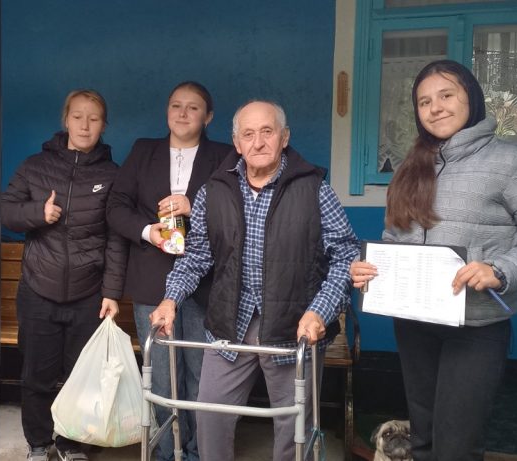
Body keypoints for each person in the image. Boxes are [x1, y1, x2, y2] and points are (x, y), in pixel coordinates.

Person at [349, 59, 517, 461]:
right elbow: (394, 236)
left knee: (456, 447)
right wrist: (370, 269)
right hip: (414, 324)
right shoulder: (411, 164)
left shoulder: (514, 161)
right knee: (422, 439)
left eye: (446, 95)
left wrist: (500, 270)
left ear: (470, 96)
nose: (435, 107)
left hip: (475, 329)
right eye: (424, 101)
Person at [149, 100, 360, 461]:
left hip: (294, 324)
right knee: (211, 414)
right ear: (237, 142)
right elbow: (197, 256)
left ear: (284, 138)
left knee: (292, 425)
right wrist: (170, 299)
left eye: (267, 132)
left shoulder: (312, 188)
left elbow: (346, 255)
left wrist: (319, 313)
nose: (258, 142)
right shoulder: (213, 191)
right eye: (248, 134)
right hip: (231, 320)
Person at [105, 81, 231, 461]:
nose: (182, 113)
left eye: (193, 108)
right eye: (176, 105)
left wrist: (196, 206)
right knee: (160, 375)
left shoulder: (225, 156)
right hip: (151, 280)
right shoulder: (144, 151)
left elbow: (236, 212)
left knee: (200, 374)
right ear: (166, 111)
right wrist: (148, 231)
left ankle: (196, 451)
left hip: (207, 283)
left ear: (208, 117)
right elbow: (116, 207)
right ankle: (165, 451)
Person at [0, 89, 127, 461]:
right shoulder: (35, 166)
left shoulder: (112, 175)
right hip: (39, 290)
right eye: (77, 116)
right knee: (36, 376)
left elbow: (117, 239)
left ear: (104, 125)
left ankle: (72, 444)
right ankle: (38, 444)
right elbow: (5, 211)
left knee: (81, 378)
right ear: (65, 120)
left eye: (93, 118)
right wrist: (38, 214)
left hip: (89, 294)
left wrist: (112, 291)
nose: (85, 124)